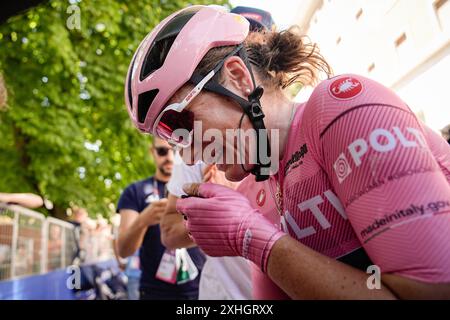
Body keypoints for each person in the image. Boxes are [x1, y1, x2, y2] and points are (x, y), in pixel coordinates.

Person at [124, 5, 450, 299]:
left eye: (179, 123)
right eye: (172, 139)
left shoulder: (343, 108)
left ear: (237, 78)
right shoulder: (255, 191)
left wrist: (253, 239)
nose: (190, 156)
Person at [159, 6, 284, 300]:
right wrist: (212, 210)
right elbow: (169, 232)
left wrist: (242, 213)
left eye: (257, 51)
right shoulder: (203, 143)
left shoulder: (303, 132)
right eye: (238, 49)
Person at [116, 137, 205, 300]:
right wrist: (143, 220)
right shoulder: (135, 191)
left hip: (199, 288)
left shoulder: (200, 182)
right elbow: (123, 250)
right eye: (162, 151)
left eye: (175, 150)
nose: (170, 157)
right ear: (152, 152)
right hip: (154, 291)